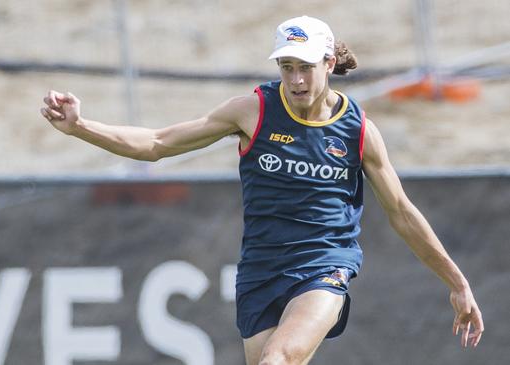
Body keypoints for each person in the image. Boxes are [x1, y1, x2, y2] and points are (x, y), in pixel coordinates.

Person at [40, 15, 484, 365]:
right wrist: (81, 127)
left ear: (329, 64)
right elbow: (157, 144)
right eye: (287, 68)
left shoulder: (358, 131)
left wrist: (458, 283)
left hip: (323, 266)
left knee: (278, 359)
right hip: (260, 271)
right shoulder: (252, 111)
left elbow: (402, 212)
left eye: (306, 68)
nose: (296, 81)